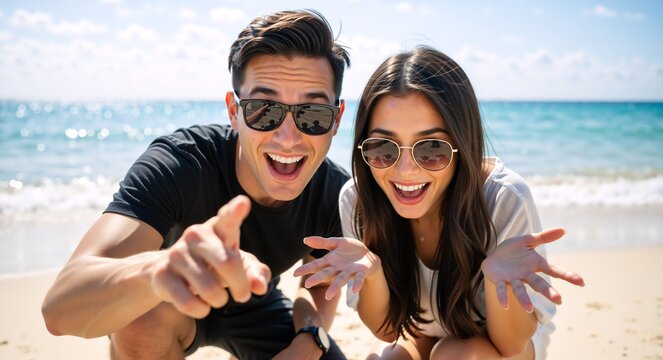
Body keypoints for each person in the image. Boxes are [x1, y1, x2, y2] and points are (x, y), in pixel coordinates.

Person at [41, 9, 351, 359]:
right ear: (234, 111)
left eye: (313, 115)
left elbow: (318, 288)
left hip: (258, 306)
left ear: (336, 120)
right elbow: (58, 310)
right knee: (139, 321)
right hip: (166, 298)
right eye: (264, 110)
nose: (288, 138)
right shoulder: (181, 164)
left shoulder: (334, 193)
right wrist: (159, 269)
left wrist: (309, 339)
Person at [294, 46, 585, 360]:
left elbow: (510, 345)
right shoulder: (358, 199)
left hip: (502, 344)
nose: (405, 170)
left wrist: (494, 277)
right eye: (383, 148)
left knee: (456, 354)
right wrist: (374, 275)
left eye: (431, 147)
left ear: (462, 143)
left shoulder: (502, 198)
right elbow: (389, 330)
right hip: (422, 332)